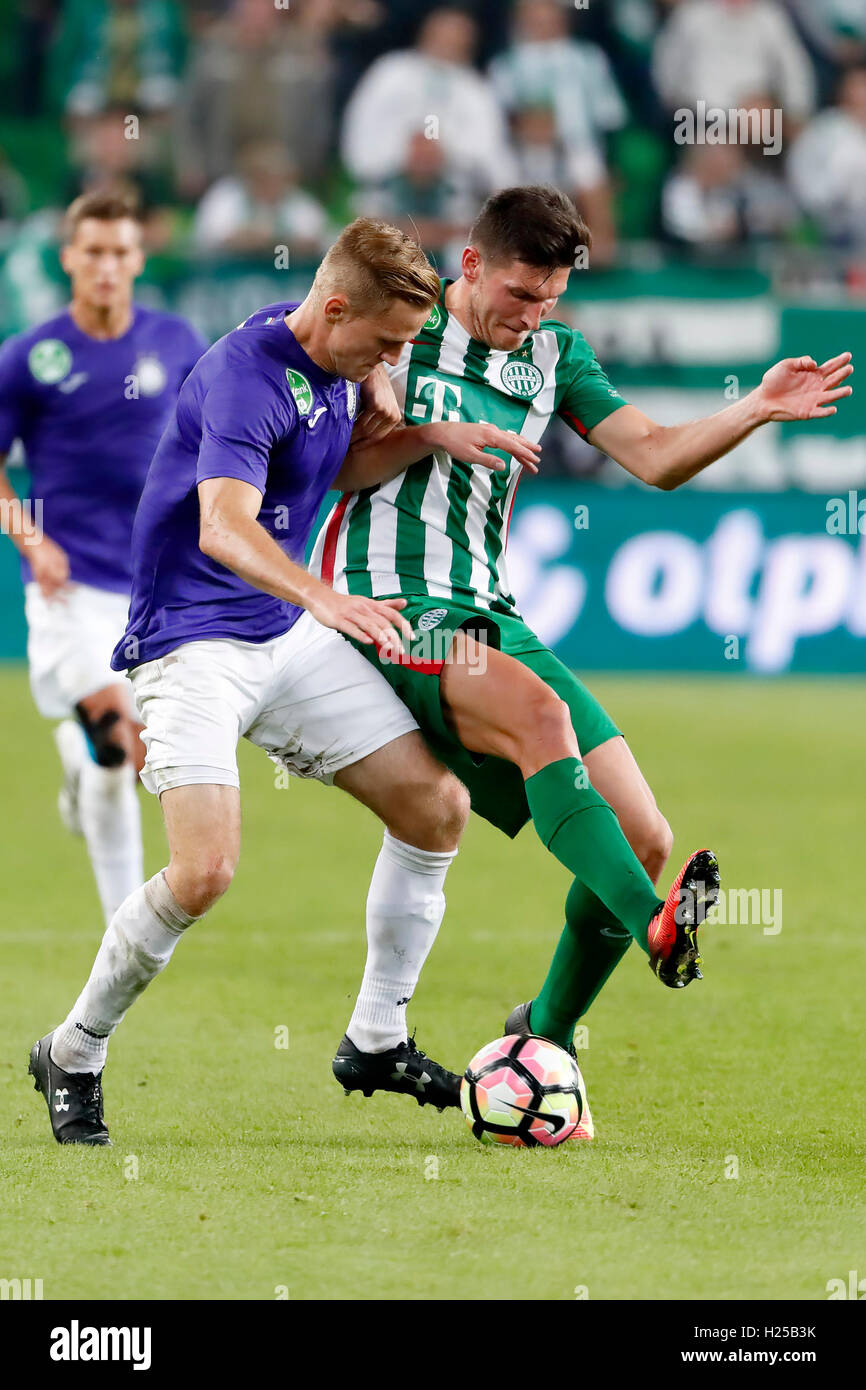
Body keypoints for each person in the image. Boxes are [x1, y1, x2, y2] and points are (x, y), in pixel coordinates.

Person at [311, 186, 853, 1109]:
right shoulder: (397, 325)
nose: (533, 317)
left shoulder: (557, 356)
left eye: (551, 299)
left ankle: (540, 1046)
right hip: (391, 606)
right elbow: (335, 462)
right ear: (470, 266)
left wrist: (754, 409)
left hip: (492, 611)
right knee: (542, 715)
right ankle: (656, 932)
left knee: (644, 836)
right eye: (520, 295)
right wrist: (418, 428)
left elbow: (653, 456)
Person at [28, 217, 539, 1145]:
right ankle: (74, 1050)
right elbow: (224, 526)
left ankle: (376, 1038)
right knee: (204, 872)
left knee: (436, 807)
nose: (391, 360)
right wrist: (325, 598)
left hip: (282, 634)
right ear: (336, 307)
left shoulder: (333, 355)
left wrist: (428, 434)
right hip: (190, 644)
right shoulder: (241, 375)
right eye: (384, 344)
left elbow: (333, 470)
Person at [0, 190, 207, 928]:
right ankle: (126, 926)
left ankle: (80, 764)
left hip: (153, 589)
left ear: (138, 257)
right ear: (69, 258)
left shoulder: (178, 342)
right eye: (93, 252)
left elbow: (206, 444)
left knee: (115, 767)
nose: (108, 267)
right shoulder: (30, 357)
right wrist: (31, 538)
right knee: (127, 736)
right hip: (68, 588)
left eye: (121, 252)